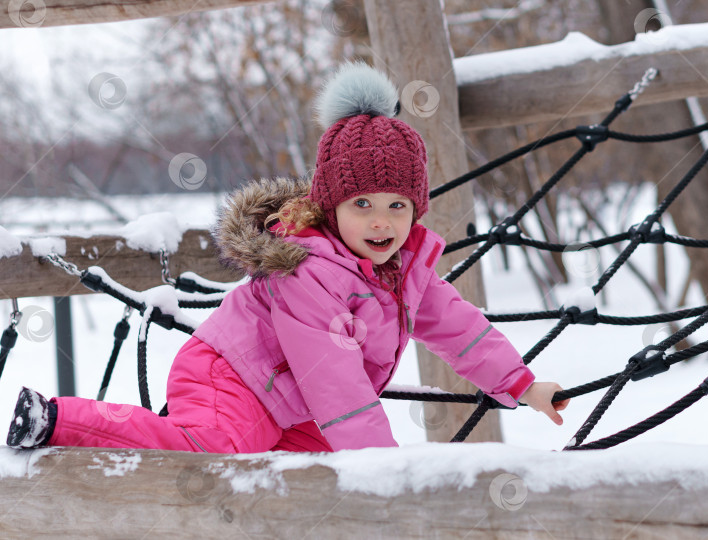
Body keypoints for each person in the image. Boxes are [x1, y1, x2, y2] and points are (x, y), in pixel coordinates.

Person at [6, 61, 569, 453]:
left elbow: (460, 331)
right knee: (215, 450)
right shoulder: (307, 268)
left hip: (292, 407)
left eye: (398, 205)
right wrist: (386, 471)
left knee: (317, 483)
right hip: (231, 378)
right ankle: (57, 418)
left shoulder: (406, 268)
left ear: (416, 209)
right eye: (363, 203)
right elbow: (334, 383)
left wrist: (522, 385)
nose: (382, 221)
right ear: (330, 206)